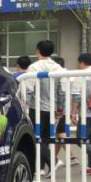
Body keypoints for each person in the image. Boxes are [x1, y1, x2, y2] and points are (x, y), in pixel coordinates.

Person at [30, 39, 63, 173]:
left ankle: (53, 161)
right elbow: (61, 90)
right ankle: (40, 168)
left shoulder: (34, 67)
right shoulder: (58, 67)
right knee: (45, 139)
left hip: (36, 108)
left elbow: (28, 89)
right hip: (52, 108)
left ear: (38, 51)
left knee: (36, 137)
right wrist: (60, 107)